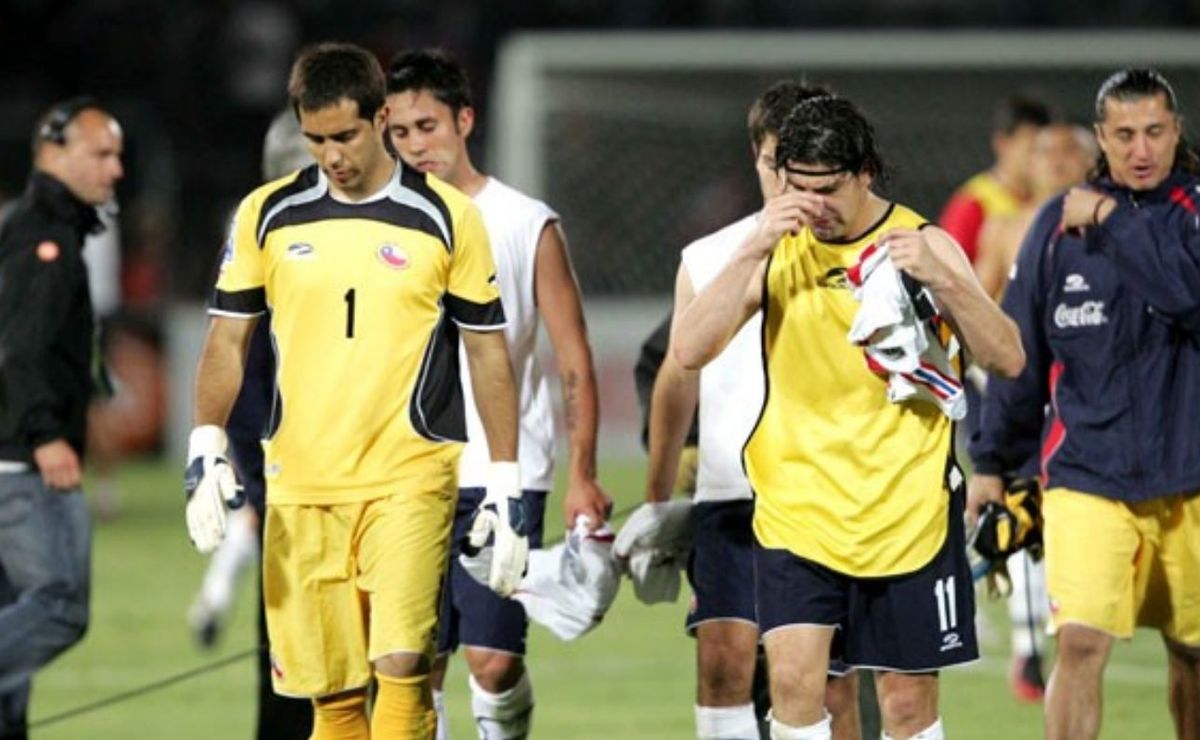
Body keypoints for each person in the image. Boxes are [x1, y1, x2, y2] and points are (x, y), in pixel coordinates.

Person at [184, 42, 526, 738]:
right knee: (334, 698)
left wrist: (506, 478)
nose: (331, 154)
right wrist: (206, 440)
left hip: (408, 477)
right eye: (316, 139)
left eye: (344, 135)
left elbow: (489, 354)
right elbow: (227, 339)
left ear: (380, 118)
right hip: (301, 485)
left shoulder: (446, 217)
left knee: (403, 664)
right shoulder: (265, 215)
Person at [674, 94, 1024, 740]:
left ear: (866, 172)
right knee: (796, 691)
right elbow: (689, 349)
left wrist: (943, 282)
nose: (815, 205)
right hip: (797, 514)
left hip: (907, 514)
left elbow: (1006, 356)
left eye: (828, 189)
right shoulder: (776, 250)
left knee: (906, 707)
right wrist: (755, 246)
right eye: (798, 186)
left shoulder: (922, 243)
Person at [384, 48, 610, 739]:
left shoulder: (523, 221)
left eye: (428, 125)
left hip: (505, 472)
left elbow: (572, 355)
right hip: (406, 476)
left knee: (492, 661)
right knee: (413, 664)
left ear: (464, 120)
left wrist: (582, 473)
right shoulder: (380, 226)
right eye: (399, 132)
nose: (416, 144)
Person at [969, 67, 1200, 740]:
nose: (1140, 149)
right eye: (1124, 134)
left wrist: (1110, 222)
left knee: (1192, 653)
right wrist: (992, 464)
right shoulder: (1053, 228)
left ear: (1175, 131)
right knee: (1079, 644)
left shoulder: (1191, 212)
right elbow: (1017, 356)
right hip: (1087, 476)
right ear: (1100, 136)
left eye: (1154, 131)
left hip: (1191, 480)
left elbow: (1187, 294)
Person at [631, 80, 866, 740]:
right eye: (773, 165)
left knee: (834, 680)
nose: (787, 185)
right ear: (757, 157)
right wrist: (656, 493)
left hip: (831, 492)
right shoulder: (708, 259)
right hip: (733, 492)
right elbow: (678, 376)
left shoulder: (863, 256)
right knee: (722, 664)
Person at [186, 107, 316, 738]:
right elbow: (238, 371)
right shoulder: (259, 241)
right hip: (296, 487)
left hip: (376, 481)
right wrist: (261, 479)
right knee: (290, 669)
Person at [0, 97, 124, 740]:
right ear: (54, 152)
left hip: (10, 455)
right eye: (101, 153)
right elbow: (19, 346)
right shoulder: (43, 236)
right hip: (24, 462)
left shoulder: (41, 226)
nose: (116, 169)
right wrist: (47, 432)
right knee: (58, 608)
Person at [969, 119, 1098, 704]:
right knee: (1021, 511)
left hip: (1083, 392)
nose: (1055, 161)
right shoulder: (1004, 226)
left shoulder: (1108, 227)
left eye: (1069, 152)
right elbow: (975, 301)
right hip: (1020, 384)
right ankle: (1028, 644)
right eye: (1045, 152)